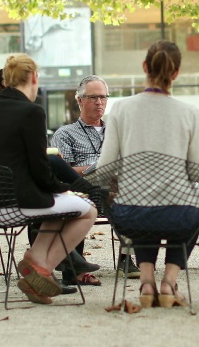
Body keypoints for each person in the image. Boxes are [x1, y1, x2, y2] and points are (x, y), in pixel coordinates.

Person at [97, 40, 199, 308]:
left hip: (131, 215)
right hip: (178, 215)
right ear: (177, 73)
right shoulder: (191, 113)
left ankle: (146, 282)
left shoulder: (121, 109)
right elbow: (197, 174)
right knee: (198, 208)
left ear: (144, 66)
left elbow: (104, 170)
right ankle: (169, 282)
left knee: (142, 202)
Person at [0, 69, 102, 291]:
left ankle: (52, 263)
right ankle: (48, 266)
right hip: (9, 197)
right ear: (2, 88)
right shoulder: (22, 115)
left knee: (58, 185)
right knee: (78, 202)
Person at [51, 75, 140, 279]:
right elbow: (64, 171)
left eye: (103, 97)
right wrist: (96, 167)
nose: (99, 102)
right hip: (82, 188)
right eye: (93, 97)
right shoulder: (65, 134)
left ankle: (128, 256)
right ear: (80, 100)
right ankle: (126, 259)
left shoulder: (119, 132)